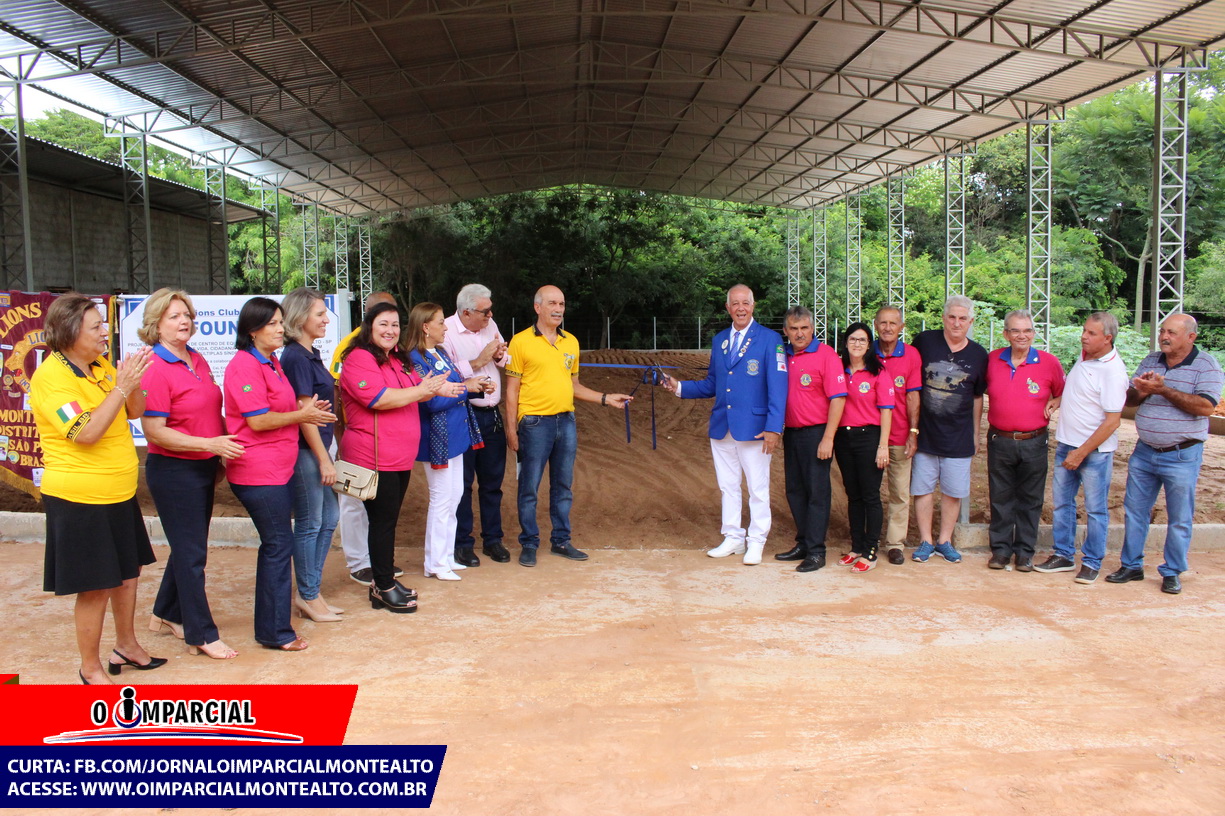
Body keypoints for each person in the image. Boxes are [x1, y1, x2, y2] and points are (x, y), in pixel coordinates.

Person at [31, 293, 160, 684]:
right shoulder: (51, 377)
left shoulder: (100, 365)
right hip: (80, 498)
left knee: (128, 571)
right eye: (96, 326)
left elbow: (135, 410)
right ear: (71, 332)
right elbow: (85, 432)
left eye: (104, 324)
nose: (105, 332)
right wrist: (121, 389)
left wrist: (131, 384)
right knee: (96, 585)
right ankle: (89, 667)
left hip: (118, 492)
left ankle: (127, 645)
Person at [224, 297, 336, 650]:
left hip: (277, 468)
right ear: (252, 331)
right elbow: (257, 421)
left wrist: (309, 410)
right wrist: (303, 416)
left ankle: (275, 626)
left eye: (280, 322)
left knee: (280, 543)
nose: (279, 329)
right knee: (278, 545)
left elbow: (285, 408)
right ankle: (275, 632)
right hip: (257, 470)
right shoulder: (244, 365)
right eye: (272, 323)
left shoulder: (271, 361)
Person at [140, 288, 243, 661]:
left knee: (188, 547)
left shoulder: (195, 358)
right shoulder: (154, 366)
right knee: (192, 554)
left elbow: (208, 412)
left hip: (202, 466)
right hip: (174, 470)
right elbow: (155, 431)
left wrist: (215, 455)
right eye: (174, 316)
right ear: (157, 325)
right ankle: (201, 633)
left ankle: (166, 612)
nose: (184, 321)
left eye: (187, 315)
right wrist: (209, 445)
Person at [339, 302, 457, 610]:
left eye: (395, 325)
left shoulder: (396, 358)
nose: (390, 330)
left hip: (397, 456)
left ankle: (384, 580)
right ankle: (383, 586)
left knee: (387, 521)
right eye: (383, 324)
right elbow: (378, 398)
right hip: (374, 455)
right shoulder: (359, 358)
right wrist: (423, 391)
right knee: (382, 522)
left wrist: (438, 388)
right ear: (369, 327)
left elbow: (417, 386)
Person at [660, 284, 788, 566]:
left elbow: (778, 388)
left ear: (753, 306)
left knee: (757, 488)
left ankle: (756, 541)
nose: (741, 308)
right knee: (728, 486)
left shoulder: (770, 339)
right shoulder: (720, 340)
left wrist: (774, 428)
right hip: (722, 426)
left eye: (745, 303)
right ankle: (733, 537)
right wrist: (678, 387)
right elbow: (712, 384)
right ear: (728, 308)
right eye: (735, 303)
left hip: (755, 428)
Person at [504, 285, 632, 567]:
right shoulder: (520, 342)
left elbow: (574, 385)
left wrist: (606, 398)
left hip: (566, 422)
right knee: (529, 487)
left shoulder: (571, 342)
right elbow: (512, 390)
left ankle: (561, 541)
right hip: (534, 423)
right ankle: (529, 543)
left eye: (561, 304)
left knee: (563, 486)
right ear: (538, 307)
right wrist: (511, 430)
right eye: (552, 303)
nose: (558, 309)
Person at [1106, 314, 1224, 594]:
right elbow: (1130, 400)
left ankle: (1172, 571)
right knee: (1135, 511)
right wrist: (1142, 391)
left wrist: (1163, 390)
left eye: (1171, 332)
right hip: (1145, 451)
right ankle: (1131, 565)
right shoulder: (1152, 360)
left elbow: (1206, 407)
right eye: (1162, 331)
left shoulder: (1206, 365)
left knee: (1179, 516)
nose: (1164, 336)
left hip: (1182, 455)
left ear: (1191, 337)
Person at [1035, 312, 1128, 584]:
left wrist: (1081, 452)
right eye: (1084, 330)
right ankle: (1063, 555)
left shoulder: (1113, 371)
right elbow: (1084, 391)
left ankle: (1091, 562)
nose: (1083, 336)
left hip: (1093, 452)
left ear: (1107, 339)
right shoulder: (1087, 355)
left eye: (1091, 333)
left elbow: (1112, 421)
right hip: (1068, 443)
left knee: (1096, 509)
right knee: (1062, 504)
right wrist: (1060, 399)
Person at [407, 302, 493, 582]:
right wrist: (465, 389)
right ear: (425, 327)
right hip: (437, 436)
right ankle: (435, 562)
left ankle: (444, 557)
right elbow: (430, 401)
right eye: (441, 322)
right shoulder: (415, 359)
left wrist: (474, 387)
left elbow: (454, 386)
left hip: (454, 434)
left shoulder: (440, 352)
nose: (446, 327)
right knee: (441, 499)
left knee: (453, 496)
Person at [907, 295, 988, 564]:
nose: (956, 323)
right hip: (926, 432)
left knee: (953, 491)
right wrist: (911, 429)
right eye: (952, 317)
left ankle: (944, 541)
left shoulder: (979, 355)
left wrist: (975, 434)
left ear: (971, 321)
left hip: (959, 434)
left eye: (962, 318)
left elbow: (977, 397)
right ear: (943, 318)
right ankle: (925, 541)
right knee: (923, 488)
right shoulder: (924, 342)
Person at [330, 291, 402, 585]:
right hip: (354, 436)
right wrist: (340, 436)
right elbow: (336, 393)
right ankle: (358, 562)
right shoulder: (350, 348)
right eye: (383, 318)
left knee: (376, 507)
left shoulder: (392, 348)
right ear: (369, 317)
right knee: (353, 501)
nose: (391, 327)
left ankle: (378, 561)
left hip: (382, 442)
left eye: (394, 319)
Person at [983, 310, 1064, 572]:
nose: (1022, 336)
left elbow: (1064, 392)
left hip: (1034, 441)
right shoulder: (992, 359)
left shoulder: (1049, 362)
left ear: (1034, 333)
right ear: (1006, 334)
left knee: (1031, 498)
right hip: (1000, 439)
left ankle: (1025, 553)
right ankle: (1000, 551)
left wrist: (1057, 400)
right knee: (1000, 496)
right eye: (1016, 330)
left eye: (1027, 330)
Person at [280, 287, 342, 623]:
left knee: (329, 518)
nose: (325, 319)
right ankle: (307, 594)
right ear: (300, 317)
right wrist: (323, 458)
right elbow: (304, 415)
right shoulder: (295, 357)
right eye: (319, 313)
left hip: (318, 448)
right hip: (306, 451)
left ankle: (311, 590)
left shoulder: (309, 354)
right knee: (310, 522)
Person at [441, 284, 510, 566]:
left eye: (490, 310)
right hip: (463, 413)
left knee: (492, 483)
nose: (490, 315)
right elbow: (444, 376)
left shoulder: (489, 324)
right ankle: (463, 543)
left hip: (492, 414)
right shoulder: (445, 331)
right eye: (485, 311)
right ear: (466, 312)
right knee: (463, 483)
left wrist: (499, 356)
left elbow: (505, 360)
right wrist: (479, 360)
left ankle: (493, 540)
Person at [777, 305, 846, 573]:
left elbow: (838, 398)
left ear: (812, 328)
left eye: (804, 328)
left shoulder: (826, 354)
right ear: (786, 331)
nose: (799, 333)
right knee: (795, 491)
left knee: (817, 492)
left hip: (817, 433)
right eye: (794, 329)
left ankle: (817, 551)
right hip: (792, 433)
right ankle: (804, 543)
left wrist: (828, 437)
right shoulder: (783, 355)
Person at [833, 322, 894, 572]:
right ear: (845, 342)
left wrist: (883, 446)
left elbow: (887, 411)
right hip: (843, 438)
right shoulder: (838, 370)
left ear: (869, 345)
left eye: (862, 340)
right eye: (852, 339)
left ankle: (870, 550)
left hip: (869, 438)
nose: (857, 344)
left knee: (870, 495)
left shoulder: (878, 372)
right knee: (853, 495)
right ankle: (856, 546)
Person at [873, 305, 922, 565]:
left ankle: (894, 544)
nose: (888, 328)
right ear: (875, 325)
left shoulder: (911, 355)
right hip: (870, 436)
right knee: (868, 492)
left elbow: (913, 396)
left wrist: (913, 432)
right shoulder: (866, 351)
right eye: (883, 323)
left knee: (900, 494)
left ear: (901, 327)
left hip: (900, 435)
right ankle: (867, 540)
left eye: (893, 323)